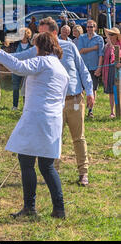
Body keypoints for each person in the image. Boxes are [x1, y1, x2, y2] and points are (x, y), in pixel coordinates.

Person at [0, 32, 69, 219]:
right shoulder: (60, 68)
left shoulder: (43, 61)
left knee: (26, 161)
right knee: (47, 166)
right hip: (53, 119)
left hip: (37, 118)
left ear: (40, 47)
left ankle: (30, 207)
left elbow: (19, 67)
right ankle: (59, 208)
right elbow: (62, 99)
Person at [10, 17, 94, 187]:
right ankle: (52, 173)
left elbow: (83, 70)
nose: (39, 38)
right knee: (53, 138)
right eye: (39, 34)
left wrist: (90, 91)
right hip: (53, 104)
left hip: (74, 99)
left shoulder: (70, 47)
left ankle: (83, 172)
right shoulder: (37, 50)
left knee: (78, 138)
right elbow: (18, 57)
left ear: (54, 33)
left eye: (43, 33)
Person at [77, 20, 104, 118]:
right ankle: (80, 109)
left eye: (91, 27)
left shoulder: (99, 39)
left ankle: (90, 111)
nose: (89, 29)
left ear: (95, 28)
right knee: (80, 89)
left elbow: (101, 55)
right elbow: (80, 51)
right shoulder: (81, 37)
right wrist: (93, 48)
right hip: (83, 67)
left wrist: (99, 68)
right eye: (88, 27)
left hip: (94, 67)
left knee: (93, 89)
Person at [11, 27, 32, 110]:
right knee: (15, 87)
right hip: (16, 68)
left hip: (27, 69)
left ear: (27, 35)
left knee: (26, 88)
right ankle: (15, 106)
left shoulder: (31, 45)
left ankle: (25, 106)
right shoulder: (15, 44)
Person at [102, 27, 121, 119]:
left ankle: (119, 109)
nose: (110, 36)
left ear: (117, 36)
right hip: (109, 70)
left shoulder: (119, 44)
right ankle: (112, 111)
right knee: (112, 91)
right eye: (109, 34)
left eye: (112, 34)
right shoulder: (107, 46)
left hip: (119, 71)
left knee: (118, 91)